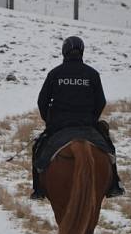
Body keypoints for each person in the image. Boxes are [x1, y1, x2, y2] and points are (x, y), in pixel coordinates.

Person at [30, 35, 124, 200]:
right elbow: (100, 101)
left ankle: (38, 189)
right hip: (87, 126)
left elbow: (42, 101)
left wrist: (49, 122)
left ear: (64, 52)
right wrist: (92, 119)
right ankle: (114, 184)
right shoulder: (92, 74)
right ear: (82, 51)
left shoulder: (55, 74)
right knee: (109, 149)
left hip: (60, 126)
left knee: (37, 149)